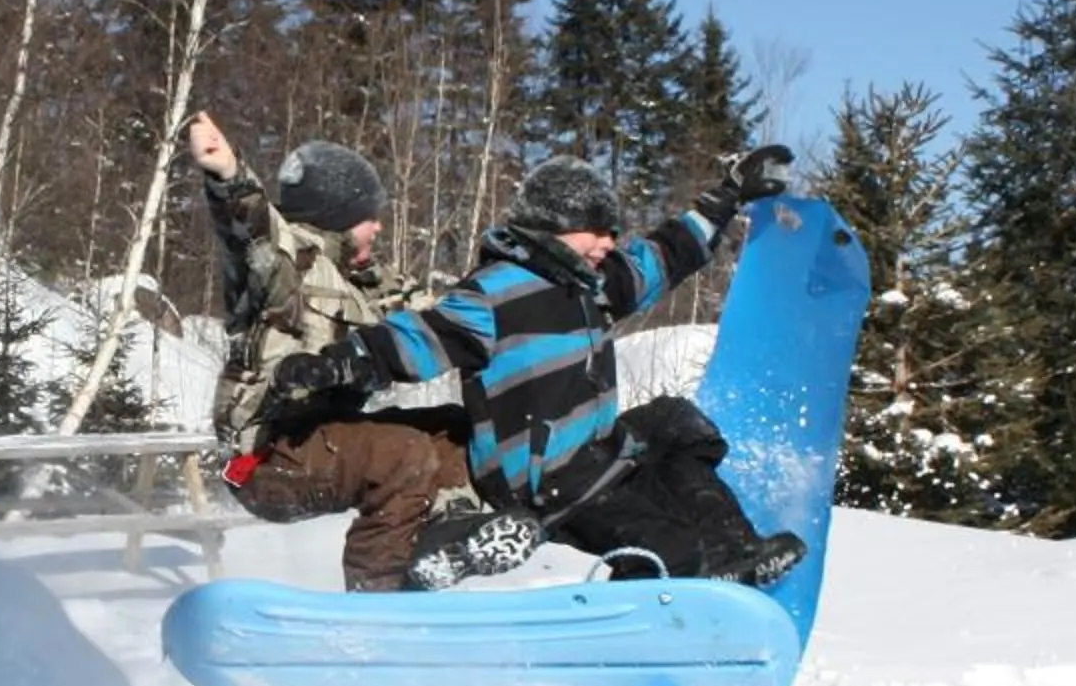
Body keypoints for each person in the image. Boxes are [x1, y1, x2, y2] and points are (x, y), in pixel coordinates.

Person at [273, 146, 808, 589]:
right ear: (555, 228)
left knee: (675, 425)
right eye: (596, 231)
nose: (608, 243)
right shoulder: (495, 294)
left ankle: (737, 552)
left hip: (602, 459)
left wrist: (728, 195)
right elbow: (417, 338)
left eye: (611, 233)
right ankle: (649, 594)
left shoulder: (594, 287)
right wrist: (338, 363)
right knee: (671, 544)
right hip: (549, 481)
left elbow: (663, 255)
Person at [189, 109, 504, 593]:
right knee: (403, 455)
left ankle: (435, 552)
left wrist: (523, 296)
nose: (377, 228)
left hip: (321, 440)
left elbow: (449, 319)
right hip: (262, 455)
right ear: (336, 216)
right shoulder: (285, 266)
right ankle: (374, 600)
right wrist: (227, 177)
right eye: (367, 217)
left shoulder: (372, 285)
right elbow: (251, 231)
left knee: (457, 433)